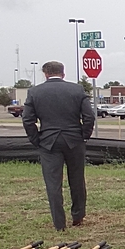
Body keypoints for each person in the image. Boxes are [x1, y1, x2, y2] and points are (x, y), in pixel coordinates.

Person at [21, 60, 95, 231]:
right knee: (77, 179)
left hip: (48, 141)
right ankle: (78, 216)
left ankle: (59, 223)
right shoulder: (77, 89)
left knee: (53, 183)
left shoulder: (35, 92)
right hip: (74, 140)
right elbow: (89, 116)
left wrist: (36, 140)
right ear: (63, 73)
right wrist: (84, 136)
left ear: (45, 74)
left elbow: (27, 120)